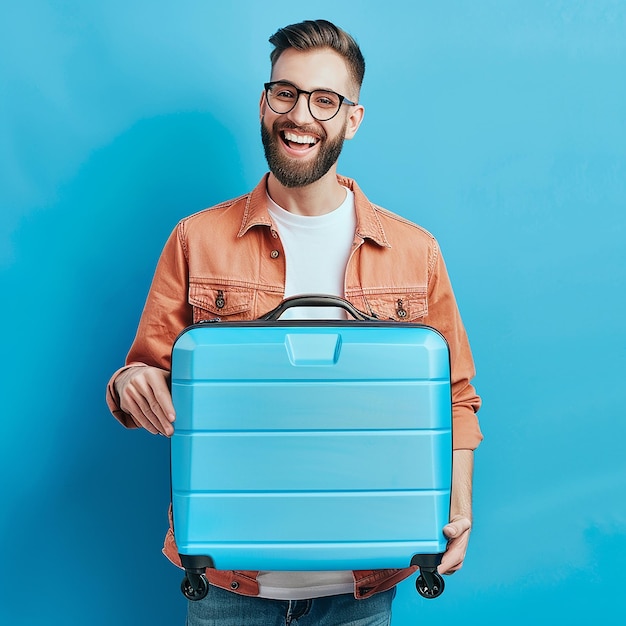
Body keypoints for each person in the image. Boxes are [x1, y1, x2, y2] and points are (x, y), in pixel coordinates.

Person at [106, 19, 483, 626]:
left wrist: (459, 509)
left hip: (362, 590)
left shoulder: (417, 253)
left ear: (351, 119)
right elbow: (143, 374)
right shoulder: (195, 240)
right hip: (228, 587)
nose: (300, 115)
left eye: (324, 99)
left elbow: (457, 399)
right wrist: (130, 386)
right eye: (285, 93)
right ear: (264, 101)